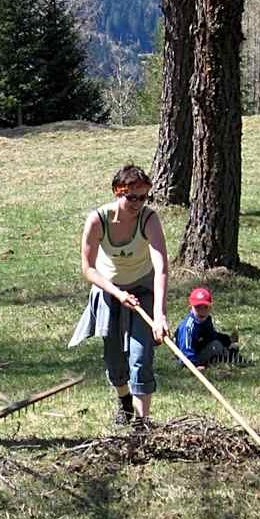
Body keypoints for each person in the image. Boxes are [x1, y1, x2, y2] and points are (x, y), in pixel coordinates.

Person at [69, 164, 169, 431]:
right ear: (117, 192)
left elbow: (161, 268)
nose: (138, 203)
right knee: (114, 358)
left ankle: (141, 423)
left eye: (143, 197)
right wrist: (118, 293)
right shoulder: (97, 220)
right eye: (131, 197)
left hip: (143, 291)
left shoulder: (149, 219)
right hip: (108, 290)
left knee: (140, 355)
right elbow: (88, 269)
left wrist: (159, 316)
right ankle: (124, 402)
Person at [174, 287, 239, 367]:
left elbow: (211, 336)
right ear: (191, 307)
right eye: (198, 307)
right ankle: (224, 357)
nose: (202, 311)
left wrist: (227, 340)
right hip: (187, 360)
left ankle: (228, 353)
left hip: (201, 348)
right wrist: (195, 365)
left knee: (218, 343)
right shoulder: (188, 327)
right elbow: (186, 351)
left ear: (210, 307)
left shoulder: (207, 320)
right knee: (216, 345)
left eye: (205, 307)